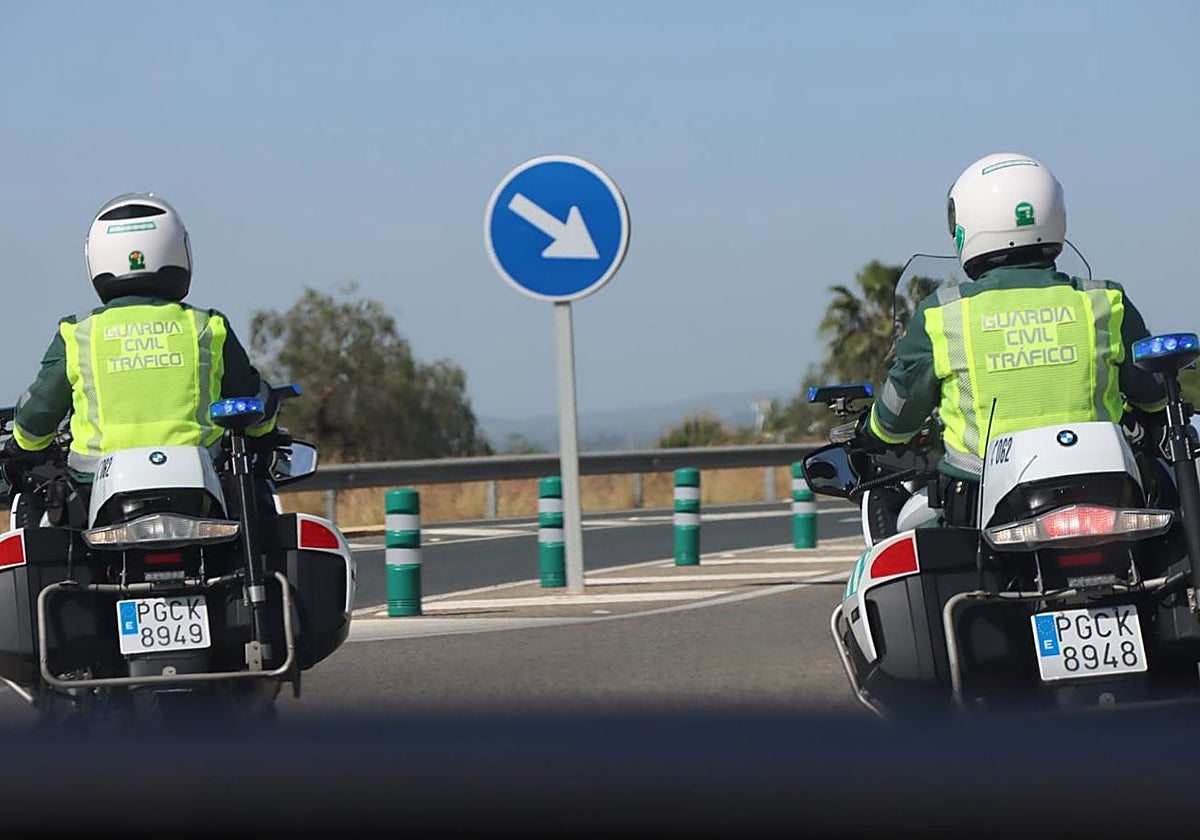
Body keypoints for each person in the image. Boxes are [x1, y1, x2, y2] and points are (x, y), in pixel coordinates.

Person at [862, 152, 1168, 526]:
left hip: (981, 501)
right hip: (1108, 492)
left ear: (966, 224)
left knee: (911, 532)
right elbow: (1154, 397)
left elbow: (894, 421)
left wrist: (872, 433)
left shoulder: (943, 315)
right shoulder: (1105, 301)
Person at [3, 192, 279, 524]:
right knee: (257, 510)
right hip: (201, 485)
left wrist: (23, 447)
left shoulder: (78, 333)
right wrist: (266, 432)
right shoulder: (206, 326)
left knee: (47, 526)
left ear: (96, 257)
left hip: (94, 488)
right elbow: (254, 401)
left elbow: (38, 415)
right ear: (180, 250)